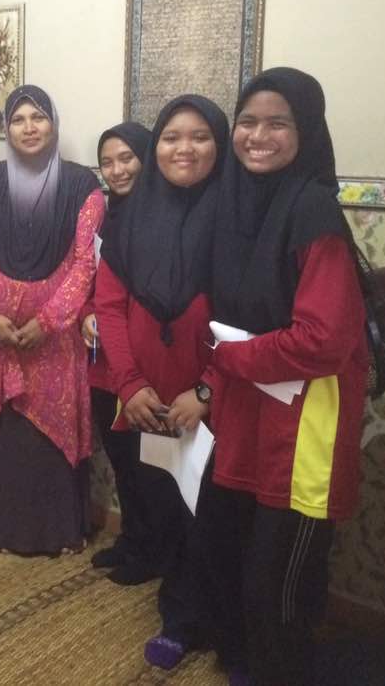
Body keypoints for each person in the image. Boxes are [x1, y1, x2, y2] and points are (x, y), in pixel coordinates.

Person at [200, 67, 369, 686]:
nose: (258, 136)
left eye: (278, 123)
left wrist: (230, 359)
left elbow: (325, 339)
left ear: (307, 132)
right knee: (228, 554)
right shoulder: (233, 204)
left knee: (277, 584)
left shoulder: (312, 208)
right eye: (247, 122)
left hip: (304, 425)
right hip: (246, 411)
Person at [94, 96, 228, 671]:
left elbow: (252, 317)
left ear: (220, 144)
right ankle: (178, 617)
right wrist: (129, 384)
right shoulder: (133, 218)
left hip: (216, 401)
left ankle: (221, 626)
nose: (184, 148)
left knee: (215, 514)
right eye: (171, 137)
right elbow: (110, 304)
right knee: (165, 506)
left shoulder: (235, 217)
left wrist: (206, 390)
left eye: (200, 136)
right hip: (148, 399)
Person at [0, 84, 104, 555]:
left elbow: (85, 264)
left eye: (38, 117)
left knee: (51, 434)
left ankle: (58, 533)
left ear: (53, 125)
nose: (28, 128)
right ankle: (5, 531)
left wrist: (49, 320)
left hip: (55, 341)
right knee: (8, 438)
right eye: (18, 119)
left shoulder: (81, 186)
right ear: (6, 129)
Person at [81, 121, 166, 586]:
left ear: (146, 157)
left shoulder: (163, 214)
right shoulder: (106, 216)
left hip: (141, 364)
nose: (117, 170)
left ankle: (153, 550)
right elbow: (91, 282)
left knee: (146, 461)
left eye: (127, 158)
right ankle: (133, 538)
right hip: (102, 360)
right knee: (120, 459)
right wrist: (86, 316)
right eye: (107, 162)